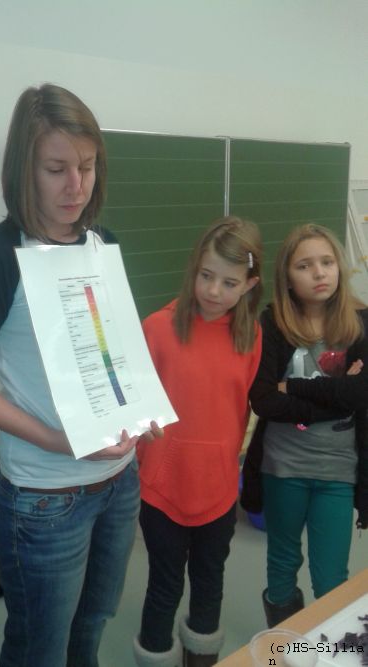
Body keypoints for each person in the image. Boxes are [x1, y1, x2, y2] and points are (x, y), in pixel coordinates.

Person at [0, 83, 161, 667]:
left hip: (119, 480)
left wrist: (139, 408)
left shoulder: (102, 243)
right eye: (57, 169)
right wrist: (58, 441)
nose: (76, 186)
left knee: (92, 626)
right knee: (38, 648)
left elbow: (111, 350)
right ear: (23, 169)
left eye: (87, 166)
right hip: (45, 496)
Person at [133, 217, 263, 667]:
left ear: (249, 285)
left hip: (219, 489)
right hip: (163, 488)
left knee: (210, 580)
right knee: (165, 583)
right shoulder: (157, 328)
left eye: (229, 282)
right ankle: (155, 654)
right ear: (193, 269)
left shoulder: (251, 336)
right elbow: (135, 405)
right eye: (206, 275)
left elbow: (240, 407)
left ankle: (201, 657)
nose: (213, 290)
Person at [241, 223, 368, 629]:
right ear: (288, 277)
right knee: (282, 567)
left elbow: (361, 395)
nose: (319, 273)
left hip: (337, 472)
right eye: (305, 265)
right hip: (283, 468)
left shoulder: (360, 322)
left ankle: (330, 652)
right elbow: (265, 400)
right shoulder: (273, 325)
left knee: (331, 577)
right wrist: (338, 395)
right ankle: (287, 652)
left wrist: (294, 387)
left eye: (327, 262)